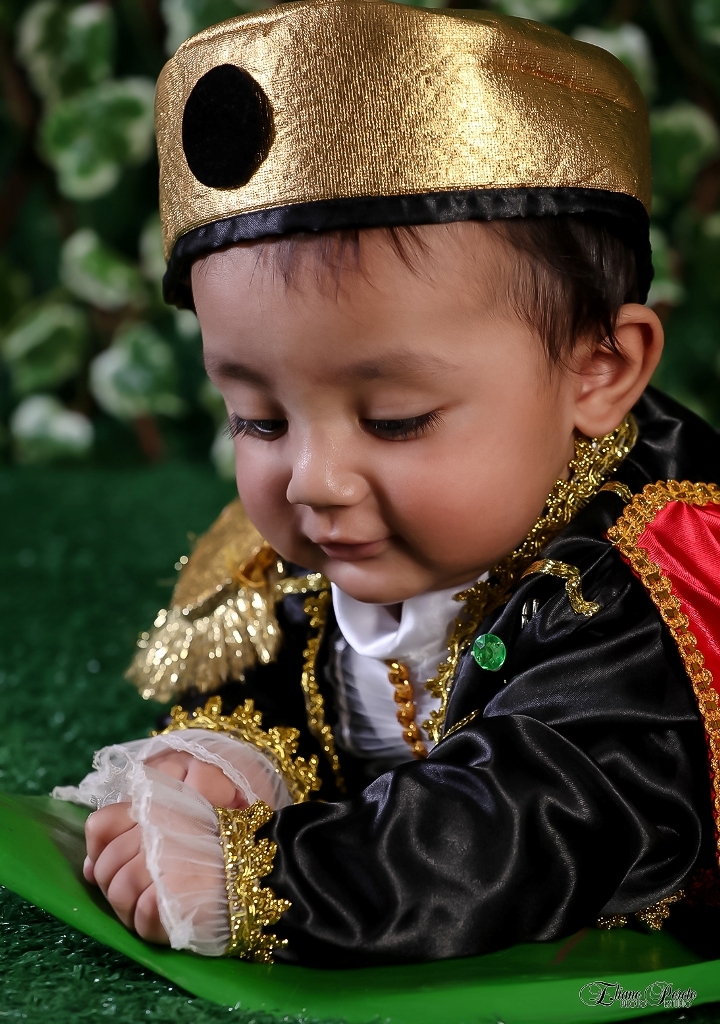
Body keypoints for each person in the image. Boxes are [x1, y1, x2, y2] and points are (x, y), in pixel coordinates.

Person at [53, 0, 720, 968]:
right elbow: (278, 675)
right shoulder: (330, 535)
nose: (314, 479)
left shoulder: (638, 582)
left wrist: (273, 877)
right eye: (260, 419)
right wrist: (234, 762)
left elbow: (542, 815)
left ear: (597, 371)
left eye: (397, 418)